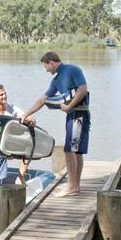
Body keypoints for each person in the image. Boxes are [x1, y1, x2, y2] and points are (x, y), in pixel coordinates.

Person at [22, 52, 90, 197]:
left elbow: (83, 89)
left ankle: (72, 186)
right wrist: (26, 114)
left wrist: (70, 105)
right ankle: (75, 186)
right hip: (71, 115)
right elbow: (42, 100)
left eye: (46, 66)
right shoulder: (56, 80)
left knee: (70, 150)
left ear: (51, 62)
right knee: (75, 151)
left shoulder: (73, 69)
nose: (46, 70)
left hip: (79, 115)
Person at [0, 84, 35, 188]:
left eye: (5, 93)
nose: (4, 96)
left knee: (29, 148)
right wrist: (5, 154)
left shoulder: (11, 107)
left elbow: (26, 115)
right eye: (1, 95)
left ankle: (20, 178)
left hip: (9, 143)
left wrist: (31, 120)